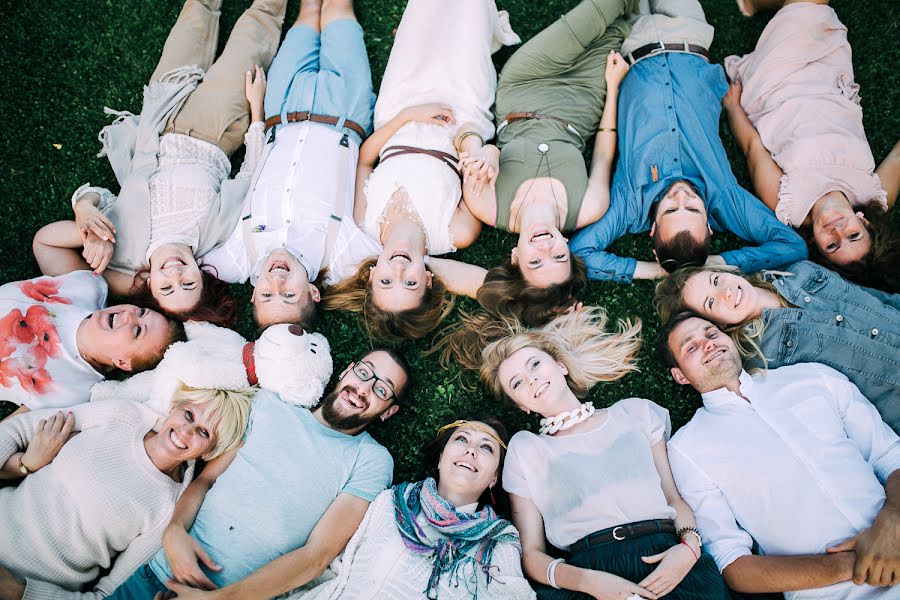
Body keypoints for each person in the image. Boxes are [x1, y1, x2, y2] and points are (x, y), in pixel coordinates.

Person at [32, 0, 288, 327]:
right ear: (201, 273)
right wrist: (257, 111)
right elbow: (249, 174)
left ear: (149, 283)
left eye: (167, 287)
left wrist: (84, 211)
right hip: (215, 128)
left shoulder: (123, 247)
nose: (176, 274)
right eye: (189, 283)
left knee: (194, 21)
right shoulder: (213, 236)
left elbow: (96, 195)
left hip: (158, 116)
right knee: (252, 35)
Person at [105, 347, 411, 599]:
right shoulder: (269, 404)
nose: (364, 388)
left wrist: (222, 599)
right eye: (363, 372)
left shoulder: (371, 460)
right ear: (347, 370)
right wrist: (174, 533)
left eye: (382, 389)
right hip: (161, 572)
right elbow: (206, 480)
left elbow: (317, 556)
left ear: (388, 411)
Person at [477, 308, 729, 599]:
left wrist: (688, 547)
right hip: (587, 573)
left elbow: (674, 498)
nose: (531, 380)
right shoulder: (526, 448)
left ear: (561, 366)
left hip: (668, 556)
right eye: (517, 383)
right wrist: (587, 582)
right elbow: (532, 554)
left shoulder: (636, 412)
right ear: (521, 405)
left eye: (534, 364)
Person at [318, 0, 519, 342]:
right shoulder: (454, 233)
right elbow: (475, 166)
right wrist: (484, 150)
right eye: (410, 282)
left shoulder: (364, 220)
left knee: (423, 14)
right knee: (468, 16)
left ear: (371, 275)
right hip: (458, 114)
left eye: (386, 280)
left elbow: (366, 159)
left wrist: (407, 116)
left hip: (400, 107)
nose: (398, 269)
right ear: (427, 280)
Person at [659, 313, 900, 598]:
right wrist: (853, 563)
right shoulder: (687, 449)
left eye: (711, 334)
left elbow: (889, 454)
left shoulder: (813, 376)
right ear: (680, 376)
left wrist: (892, 523)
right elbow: (733, 564)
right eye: (691, 347)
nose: (708, 344)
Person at [569, 0, 807, 283]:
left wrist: (652, 271)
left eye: (671, 209)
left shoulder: (629, 206)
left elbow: (579, 252)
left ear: (653, 229)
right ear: (709, 224)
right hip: (687, 35)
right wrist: (714, 264)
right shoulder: (725, 198)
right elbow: (793, 246)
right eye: (693, 208)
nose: (681, 196)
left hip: (631, 44)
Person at [202, 0, 382, 329]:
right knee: (339, 10)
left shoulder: (236, 260)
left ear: (253, 295)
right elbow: (406, 263)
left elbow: (174, 273)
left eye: (267, 296)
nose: (277, 285)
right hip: (344, 110)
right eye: (289, 296)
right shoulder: (342, 258)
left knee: (309, 12)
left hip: (280, 108)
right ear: (313, 293)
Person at [0, 385, 253, 600]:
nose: (186, 431)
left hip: (20, 583)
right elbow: (17, 428)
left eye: (203, 432)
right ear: (175, 407)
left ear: (209, 453)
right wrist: (25, 464)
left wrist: (19, 592)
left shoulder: (170, 510)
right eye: (188, 414)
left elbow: (109, 594)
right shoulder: (124, 415)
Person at [721, 0, 900, 293]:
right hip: (828, 77)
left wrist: (732, 108)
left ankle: (752, 4)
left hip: (777, 88)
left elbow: (753, 148)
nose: (837, 231)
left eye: (832, 245)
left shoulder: (789, 204)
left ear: (816, 244)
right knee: (819, 10)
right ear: (865, 223)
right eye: (853, 236)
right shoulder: (874, 196)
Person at [297, 414, 535, 599]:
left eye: (486, 448)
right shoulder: (390, 503)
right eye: (461, 439)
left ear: (494, 478)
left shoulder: (498, 545)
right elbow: (337, 566)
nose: (471, 450)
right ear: (441, 458)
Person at [654, 260, 900, 434]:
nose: (725, 292)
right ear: (714, 323)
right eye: (710, 302)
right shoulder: (764, 360)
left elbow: (881, 301)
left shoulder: (803, 272)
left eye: (715, 280)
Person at [0, 271, 184, 418]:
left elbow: (9, 431)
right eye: (142, 312)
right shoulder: (87, 289)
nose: (129, 315)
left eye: (138, 331)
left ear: (122, 362)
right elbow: (45, 243)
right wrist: (86, 229)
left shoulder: (73, 393)